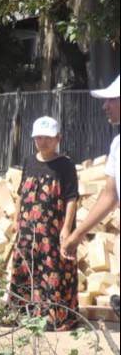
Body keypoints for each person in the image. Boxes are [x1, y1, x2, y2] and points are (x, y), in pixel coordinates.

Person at [8, 116, 79, 330]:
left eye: (48, 138)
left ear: (58, 138)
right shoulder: (29, 162)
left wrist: (67, 228)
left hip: (53, 231)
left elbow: (71, 198)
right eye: (38, 137)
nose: (43, 142)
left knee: (53, 269)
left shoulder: (65, 165)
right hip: (28, 230)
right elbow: (21, 193)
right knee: (25, 267)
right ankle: (22, 313)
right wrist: (16, 218)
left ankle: (53, 317)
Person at [62, 76, 120, 259]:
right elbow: (110, 195)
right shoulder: (117, 145)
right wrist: (77, 235)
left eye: (111, 99)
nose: (105, 106)